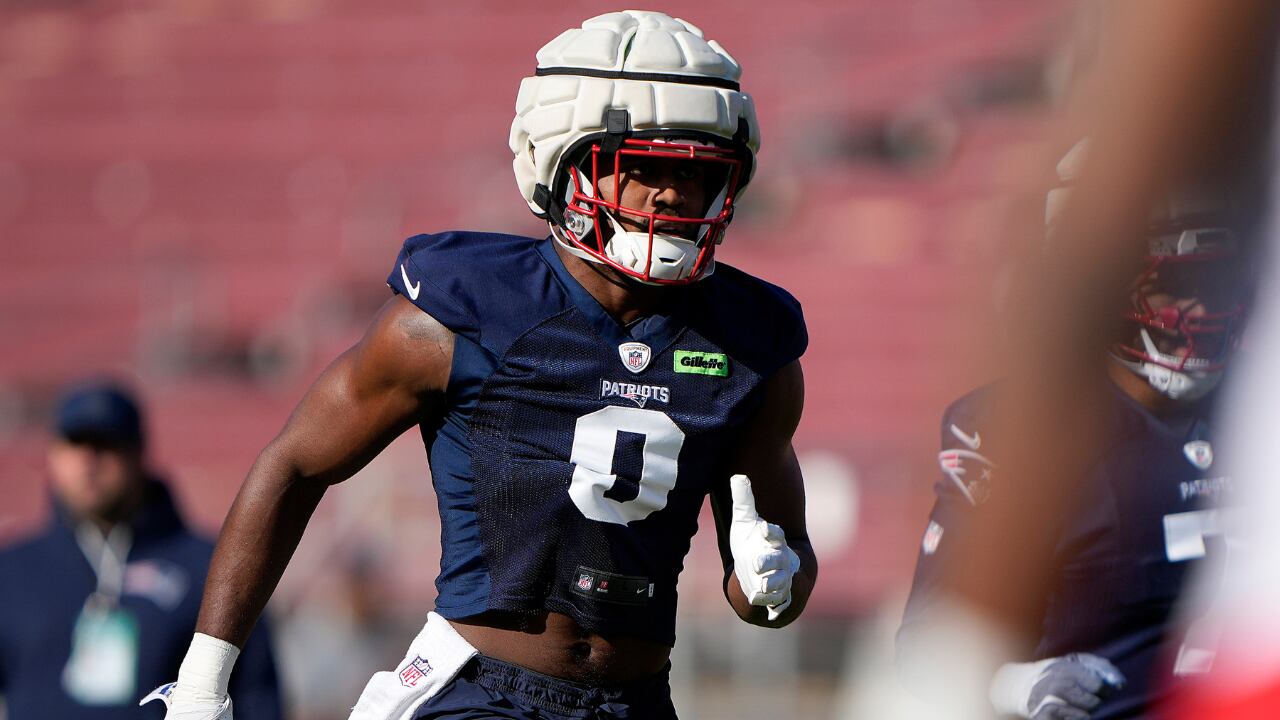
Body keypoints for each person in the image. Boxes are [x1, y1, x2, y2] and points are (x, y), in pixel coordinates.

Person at [145, 10, 816, 720]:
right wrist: (202, 680)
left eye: (698, 175)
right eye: (644, 168)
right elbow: (295, 466)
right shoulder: (461, 314)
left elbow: (769, 595)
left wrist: (771, 583)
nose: (672, 196)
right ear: (564, 161)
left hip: (637, 701)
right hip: (478, 690)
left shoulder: (750, 347)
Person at [897, 144, 1252, 719]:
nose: (1203, 308)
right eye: (1176, 281)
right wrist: (1017, 684)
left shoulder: (1256, 408)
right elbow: (925, 643)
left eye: (1217, 278)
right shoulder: (1027, 433)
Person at [0, 380, 282, 719]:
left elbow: (257, 695)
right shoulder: (11, 572)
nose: (89, 460)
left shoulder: (212, 568)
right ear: (54, 454)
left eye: (106, 443)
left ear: (138, 452)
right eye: (76, 443)